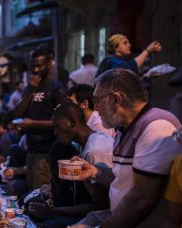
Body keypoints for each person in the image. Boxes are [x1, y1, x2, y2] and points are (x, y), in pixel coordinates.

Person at [70, 68, 181, 228]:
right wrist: (95, 172)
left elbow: (142, 200)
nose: (96, 109)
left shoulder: (156, 125)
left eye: (97, 101)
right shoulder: (123, 129)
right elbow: (124, 180)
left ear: (116, 100)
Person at [28, 102, 113, 228]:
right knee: (30, 204)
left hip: (107, 215)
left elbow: (100, 207)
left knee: (50, 224)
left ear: (72, 122)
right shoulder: (80, 144)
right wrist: (51, 188)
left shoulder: (96, 150)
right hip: (88, 205)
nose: (55, 132)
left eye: (57, 126)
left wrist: (55, 211)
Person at [13, 44, 67, 190]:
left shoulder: (57, 88)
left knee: (40, 194)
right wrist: (30, 91)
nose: (36, 70)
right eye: (33, 66)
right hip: (31, 149)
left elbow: (61, 123)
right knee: (32, 191)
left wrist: (32, 123)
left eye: (39, 66)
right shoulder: (30, 87)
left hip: (47, 151)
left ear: (49, 64)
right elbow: (17, 113)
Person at [95, 34, 162, 77]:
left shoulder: (122, 60)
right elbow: (127, 67)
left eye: (128, 43)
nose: (129, 45)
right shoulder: (110, 60)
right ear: (116, 47)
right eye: (125, 43)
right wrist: (148, 51)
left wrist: (146, 77)